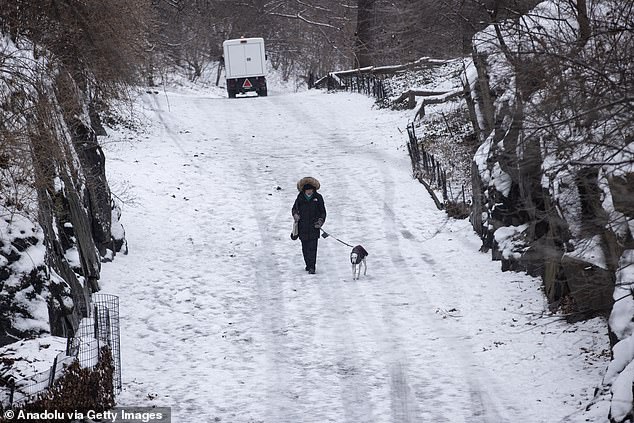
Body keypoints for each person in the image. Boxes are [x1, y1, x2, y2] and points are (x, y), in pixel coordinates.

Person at [292, 177, 326, 274]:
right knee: (305, 248)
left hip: (314, 228)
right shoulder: (300, 197)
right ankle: (308, 264)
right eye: (307, 190)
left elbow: (323, 212)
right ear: (304, 190)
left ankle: (312, 267)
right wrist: (296, 215)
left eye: (311, 189)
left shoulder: (318, 198)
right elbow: (294, 209)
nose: (309, 191)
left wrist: (320, 221)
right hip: (302, 228)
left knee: (313, 248)